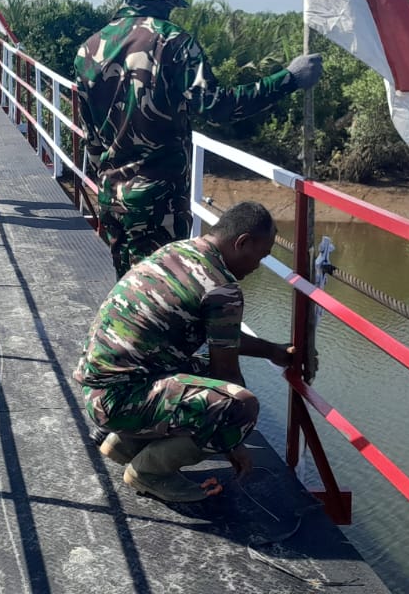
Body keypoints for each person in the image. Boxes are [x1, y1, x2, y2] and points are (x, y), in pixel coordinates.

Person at [74, 0, 327, 275]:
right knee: (161, 290)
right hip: (158, 202)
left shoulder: (89, 48)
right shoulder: (174, 43)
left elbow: (92, 137)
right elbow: (217, 107)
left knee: (127, 288)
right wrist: (288, 79)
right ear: (166, 1)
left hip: (111, 195)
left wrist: (108, 178)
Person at [73, 201, 316, 503]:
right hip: (120, 402)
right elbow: (226, 373)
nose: (257, 266)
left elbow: (221, 336)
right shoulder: (222, 287)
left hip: (101, 390)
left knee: (201, 370)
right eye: (261, 255)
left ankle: (124, 444)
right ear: (242, 243)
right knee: (240, 407)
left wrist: (271, 351)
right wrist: (233, 442)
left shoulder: (177, 251)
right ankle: (149, 471)